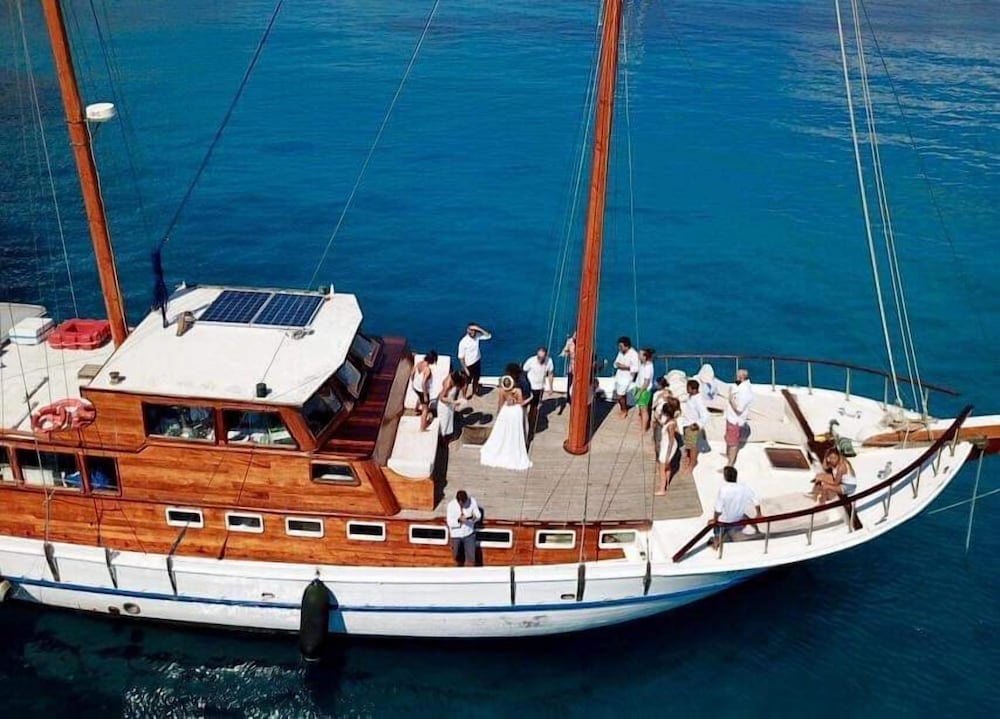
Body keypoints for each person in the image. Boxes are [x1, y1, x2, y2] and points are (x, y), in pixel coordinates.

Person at [480, 375, 532, 470]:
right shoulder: (518, 391)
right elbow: (521, 403)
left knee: (503, 432)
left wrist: (498, 414)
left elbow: (500, 404)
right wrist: (530, 398)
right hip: (516, 412)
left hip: (506, 412)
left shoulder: (502, 391)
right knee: (515, 432)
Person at [709, 466, 762, 549]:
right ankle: (757, 531)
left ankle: (717, 542)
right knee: (744, 516)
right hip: (738, 519)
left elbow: (718, 509)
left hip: (725, 522)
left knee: (713, 524)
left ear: (725, 477)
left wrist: (714, 520)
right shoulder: (744, 488)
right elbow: (756, 500)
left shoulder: (724, 490)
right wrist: (759, 513)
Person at [810, 447, 863, 529]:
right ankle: (813, 497)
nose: (832, 460)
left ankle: (821, 505)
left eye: (834, 458)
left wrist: (826, 482)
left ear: (838, 457)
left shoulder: (841, 467)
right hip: (841, 482)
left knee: (825, 486)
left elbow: (836, 483)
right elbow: (825, 467)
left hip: (847, 486)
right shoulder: (834, 463)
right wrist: (826, 457)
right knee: (819, 476)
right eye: (830, 458)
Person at [522, 347, 554, 438]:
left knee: (534, 408)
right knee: (524, 406)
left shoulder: (549, 362)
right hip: (529, 387)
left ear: (545, 356)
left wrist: (550, 387)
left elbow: (550, 374)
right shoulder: (531, 361)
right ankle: (523, 424)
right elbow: (524, 372)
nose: (540, 359)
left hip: (539, 388)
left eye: (542, 357)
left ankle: (531, 428)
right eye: (538, 357)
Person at [724, 369, 754, 466]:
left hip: (735, 421)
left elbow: (739, 409)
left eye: (737, 375)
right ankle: (728, 456)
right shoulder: (741, 387)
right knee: (729, 439)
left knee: (733, 443)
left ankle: (730, 464)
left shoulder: (745, 391)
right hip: (731, 418)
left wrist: (731, 399)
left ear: (742, 378)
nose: (735, 376)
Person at [446, 490, 481, 566]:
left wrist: (474, 518)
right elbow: (449, 522)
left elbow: (478, 515)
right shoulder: (451, 505)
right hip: (456, 535)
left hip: (469, 533)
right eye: (461, 503)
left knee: (471, 557)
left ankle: (470, 571)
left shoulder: (472, 502)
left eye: (464, 503)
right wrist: (459, 520)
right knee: (456, 556)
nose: (463, 505)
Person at [681, 379, 710, 472]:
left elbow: (705, 415)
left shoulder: (698, 400)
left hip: (692, 426)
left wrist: (697, 425)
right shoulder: (691, 397)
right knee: (689, 444)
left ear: (693, 389)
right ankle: (689, 458)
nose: (686, 389)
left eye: (688, 388)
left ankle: (692, 464)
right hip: (687, 424)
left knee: (693, 446)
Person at [655, 397, 682, 495]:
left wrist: (667, 456)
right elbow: (663, 424)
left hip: (668, 446)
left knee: (662, 468)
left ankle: (662, 489)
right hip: (665, 444)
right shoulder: (669, 420)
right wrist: (658, 419)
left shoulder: (671, 425)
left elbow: (671, 441)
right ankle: (666, 484)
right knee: (667, 467)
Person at [458, 323, 492, 399]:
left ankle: (474, 392)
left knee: (476, 379)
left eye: (474, 330)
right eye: (471, 330)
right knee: (466, 382)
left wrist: (479, 328)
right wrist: (465, 369)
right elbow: (461, 357)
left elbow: (488, 336)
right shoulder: (463, 342)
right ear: (468, 330)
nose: (473, 332)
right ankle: (464, 396)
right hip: (468, 365)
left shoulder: (477, 336)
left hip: (477, 362)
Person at [432, 370, 467, 439]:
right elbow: (441, 398)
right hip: (444, 406)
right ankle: (442, 439)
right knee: (444, 424)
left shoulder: (453, 376)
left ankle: (446, 436)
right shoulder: (448, 385)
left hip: (449, 404)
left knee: (448, 422)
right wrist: (454, 402)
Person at [411, 350, 438, 432]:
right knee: (425, 408)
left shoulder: (419, 363)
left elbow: (412, 373)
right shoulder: (427, 370)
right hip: (422, 390)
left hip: (416, 386)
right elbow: (423, 383)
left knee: (420, 398)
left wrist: (413, 382)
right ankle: (422, 427)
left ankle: (416, 409)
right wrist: (425, 395)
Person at [613, 336, 640, 418]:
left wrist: (624, 367)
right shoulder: (620, 353)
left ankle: (624, 410)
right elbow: (615, 363)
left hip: (627, 378)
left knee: (619, 396)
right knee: (621, 394)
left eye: (621, 346)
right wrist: (619, 365)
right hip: (619, 376)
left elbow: (636, 368)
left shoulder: (634, 354)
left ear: (626, 346)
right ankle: (624, 407)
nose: (619, 348)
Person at [634, 348, 656, 432]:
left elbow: (646, 382)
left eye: (640, 354)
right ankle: (642, 424)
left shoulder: (648, 367)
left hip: (644, 391)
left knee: (644, 410)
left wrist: (639, 393)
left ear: (645, 356)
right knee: (641, 408)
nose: (638, 356)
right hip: (639, 387)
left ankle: (643, 429)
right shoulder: (643, 364)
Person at [650, 377, 672, 459]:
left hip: (662, 418)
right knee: (658, 437)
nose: (655, 384)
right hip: (659, 417)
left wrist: (660, 398)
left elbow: (653, 406)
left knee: (660, 438)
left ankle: (660, 456)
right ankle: (658, 455)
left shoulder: (664, 394)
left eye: (656, 383)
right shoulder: (663, 393)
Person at [558, 332, 576, 414]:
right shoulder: (570, 341)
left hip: (580, 366)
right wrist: (563, 354)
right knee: (570, 383)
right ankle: (569, 399)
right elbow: (566, 350)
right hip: (572, 366)